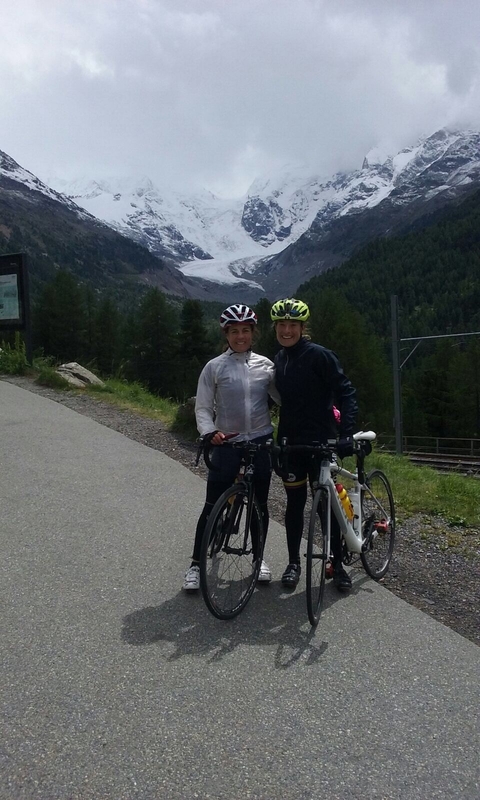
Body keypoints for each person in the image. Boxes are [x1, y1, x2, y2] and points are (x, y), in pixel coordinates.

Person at [183, 304, 280, 591]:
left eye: (246, 331)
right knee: (211, 505)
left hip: (260, 442)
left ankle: (257, 559)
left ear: (253, 333)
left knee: (260, 506)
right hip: (226, 441)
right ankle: (196, 565)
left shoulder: (267, 366)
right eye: (234, 331)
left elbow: (284, 398)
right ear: (226, 334)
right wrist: (209, 431)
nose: (241, 336)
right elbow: (202, 408)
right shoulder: (215, 367)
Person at [271, 297, 358, 592]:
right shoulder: (280, 358)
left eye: (292, 325)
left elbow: (346, 392)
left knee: (326, 506)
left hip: (321, 441)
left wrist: (345, 433)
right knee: (294, 505)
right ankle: (294, 563)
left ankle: (339, 564)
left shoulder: (320, 355)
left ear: (301, 327)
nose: (286, 330)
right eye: (281, 324)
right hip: (291, 443)